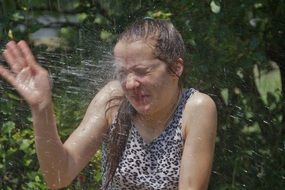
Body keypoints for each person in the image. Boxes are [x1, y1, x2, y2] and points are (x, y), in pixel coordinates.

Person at [0, 19, 217, 190]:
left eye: (142, 71)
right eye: (123, 73)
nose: (130, 83)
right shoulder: (114, 99)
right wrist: (41, 108)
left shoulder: (195, 108)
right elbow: (59, 174)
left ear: (176, 68)